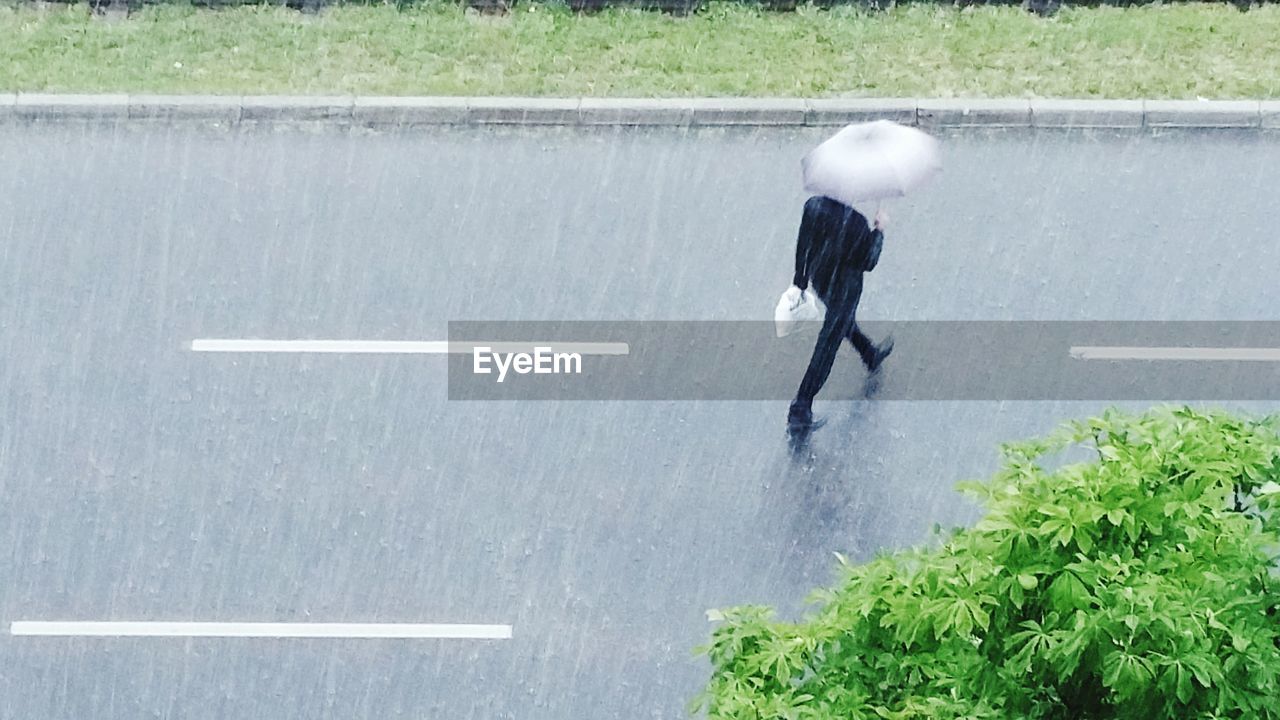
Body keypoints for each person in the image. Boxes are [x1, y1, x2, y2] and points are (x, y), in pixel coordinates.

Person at [786, 195, 894, 431]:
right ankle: (801, 406)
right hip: (846, 289)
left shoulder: (813, 206)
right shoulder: (855, 223)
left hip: (822, 279)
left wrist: (801, 278)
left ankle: (869, 353)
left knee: (840, 322)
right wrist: (879, 230)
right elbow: (868, 261)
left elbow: (802, 242)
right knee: (828, 343)